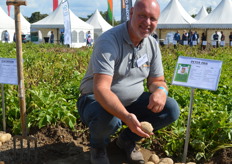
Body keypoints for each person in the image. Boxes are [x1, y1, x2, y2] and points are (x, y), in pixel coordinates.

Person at [77, 0, 180, 164]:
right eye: (142, 16)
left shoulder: (152, 44)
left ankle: (126, 140)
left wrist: (161, 91)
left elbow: (157, 80)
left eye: (152, 19)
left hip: (132, 101)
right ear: (131, 13)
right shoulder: (109, 41)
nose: (147, 23)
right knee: (109, 119)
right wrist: (126, 117)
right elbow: (101, 89)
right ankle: (98, 147)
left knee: (171, 108)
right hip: (95, 101)